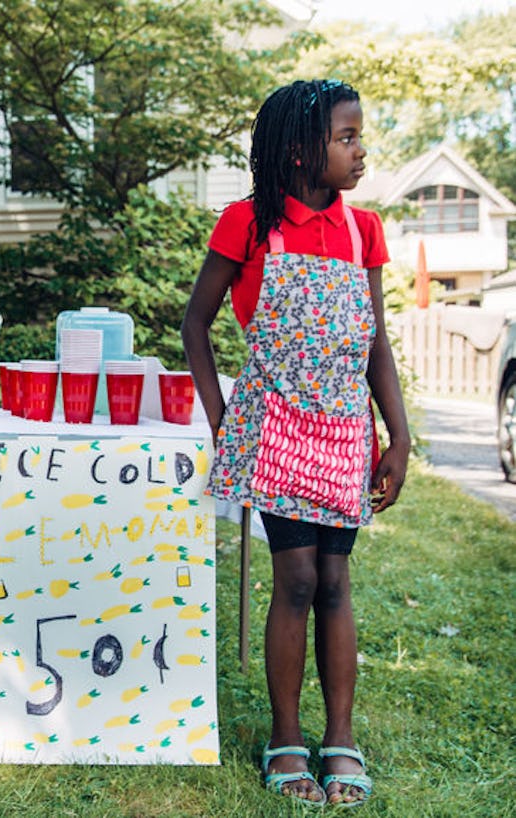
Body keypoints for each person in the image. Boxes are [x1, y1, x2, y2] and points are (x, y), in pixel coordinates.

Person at [182, 79, 410, 808]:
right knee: (299, 580)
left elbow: (375, 345)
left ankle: (339, 737)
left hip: (345, 428)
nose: (360, 150)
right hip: (276, 424)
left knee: (336, 582)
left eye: (358, 136)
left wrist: (398, 436)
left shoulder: (362, 230)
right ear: (301, 151)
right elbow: (196, 324)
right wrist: (223, 420)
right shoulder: (249, 225)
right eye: (346, 138)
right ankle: (286, 736)